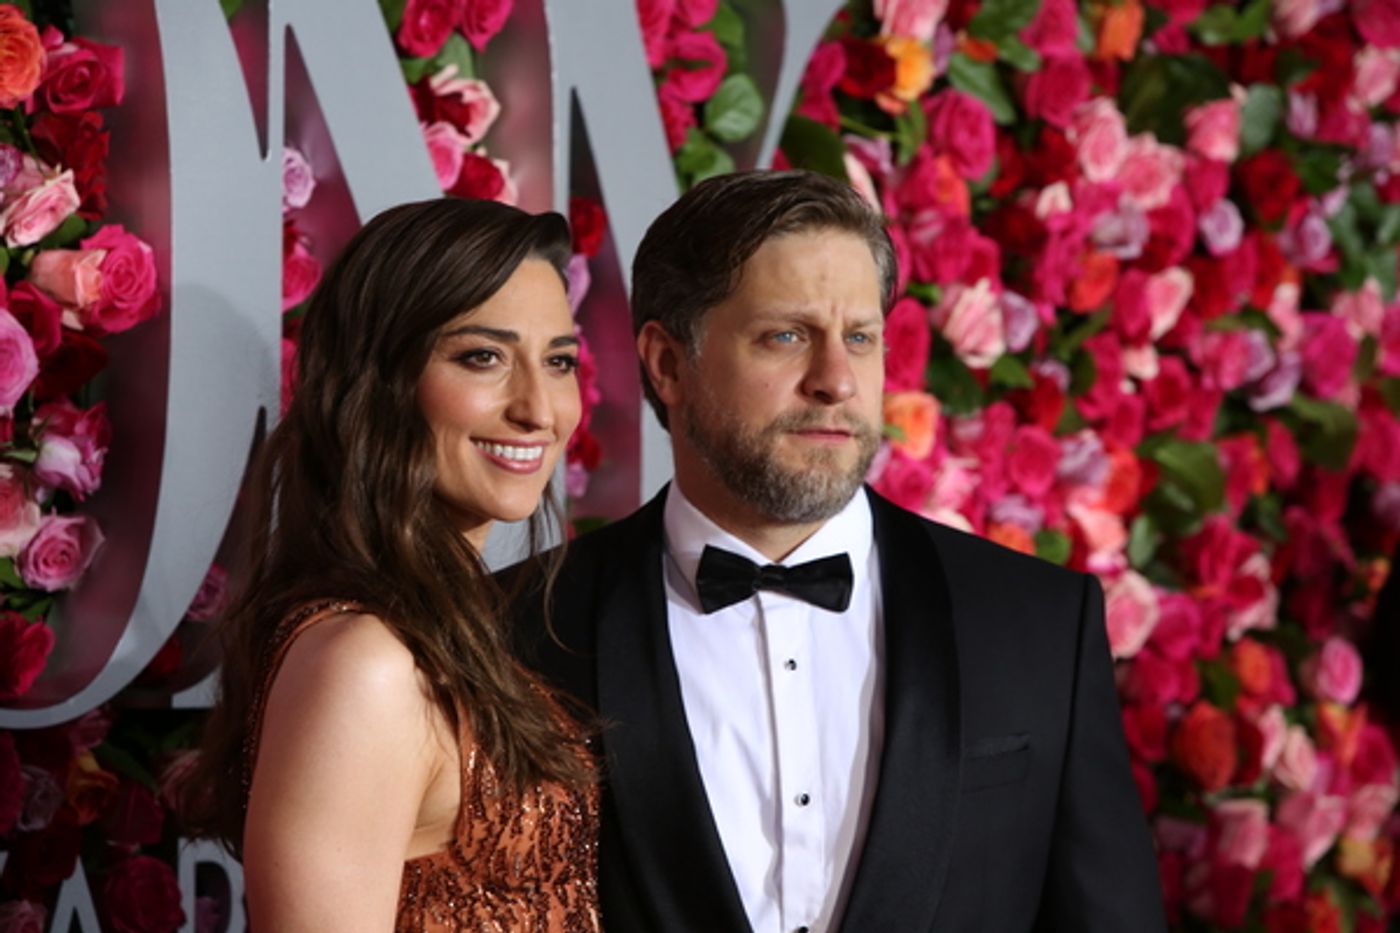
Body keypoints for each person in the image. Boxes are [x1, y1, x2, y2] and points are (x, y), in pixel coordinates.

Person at [511, 170, 1167, 932]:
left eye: (859, 337)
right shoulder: (517, 629)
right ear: (666, 363)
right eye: (786, 336)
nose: (836, 380)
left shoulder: (1041, 623)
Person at [179, 198, 599, 932]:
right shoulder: (365, 664)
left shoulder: (438, 632)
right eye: (483, 357)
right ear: (380, 380)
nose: (540, 407)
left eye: (558, 360)